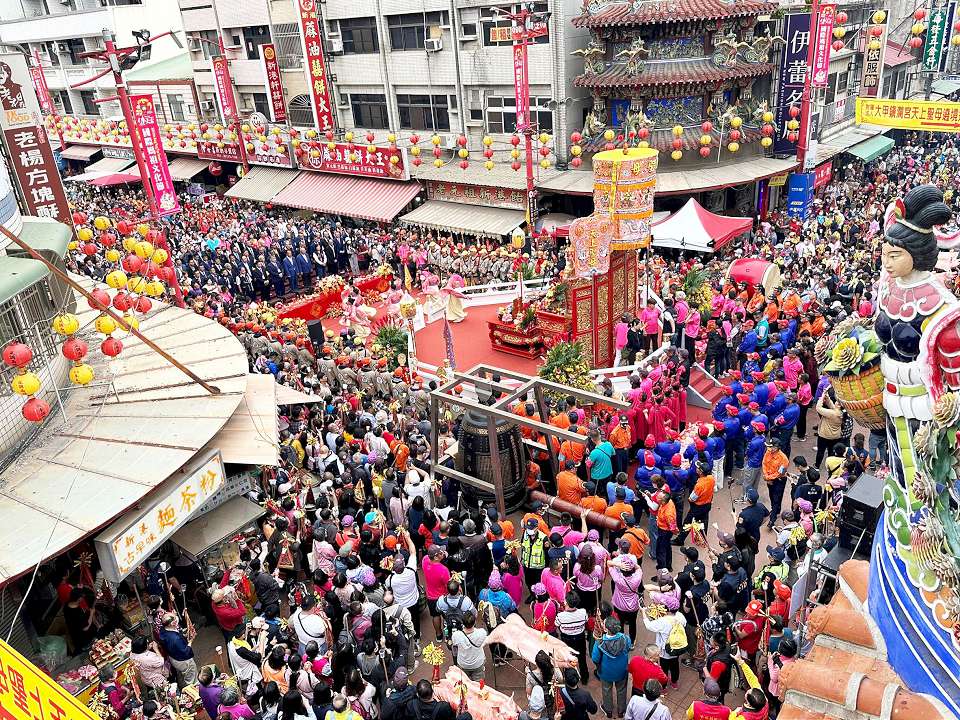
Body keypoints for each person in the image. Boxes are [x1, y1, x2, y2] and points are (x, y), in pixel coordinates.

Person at [591, 617, 631, 719]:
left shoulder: (600, 643)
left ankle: (608, 710)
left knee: (606, 690)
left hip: (605, 672)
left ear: (606, 629)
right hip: (622, 670)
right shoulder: (625, 638)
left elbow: (595, 658)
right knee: (622, 690)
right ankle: (621, 711)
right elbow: (628, 647)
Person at [642, 605, 687, 690]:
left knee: (664, 669)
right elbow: (684, 624)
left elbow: (649, 626)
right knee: (675, 665)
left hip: (664, 651)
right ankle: (674, 683)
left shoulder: (663, 621)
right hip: (677, 647)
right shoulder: (680, 616)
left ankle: (664, 687)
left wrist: (643, 612)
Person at [557, 591, 590, 685]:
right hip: (580, 638)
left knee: (568, 658)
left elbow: (556, 624)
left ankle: (570, 677)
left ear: (566, 602)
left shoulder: (561, 616)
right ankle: (584, 677)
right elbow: (586, 620)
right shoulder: (583, 612)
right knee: (582, 658)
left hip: (567, 639)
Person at [158, 613, 197, 685]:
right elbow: (185, 652)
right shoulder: (175, 639)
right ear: (172, 623)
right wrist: (191, 640)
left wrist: (184, 635)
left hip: (174, 657)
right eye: (175, 618)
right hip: (184, 661)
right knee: (191, 678)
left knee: (185, 674)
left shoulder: (163, 629)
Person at [449, 610, 487, 681]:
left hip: (463, 663)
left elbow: (454, 645)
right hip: (478, 663)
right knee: (478, 685)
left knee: (464, 683)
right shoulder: (482, 633)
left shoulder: (456, 635)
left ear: (462, 623)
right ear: (474, 622)